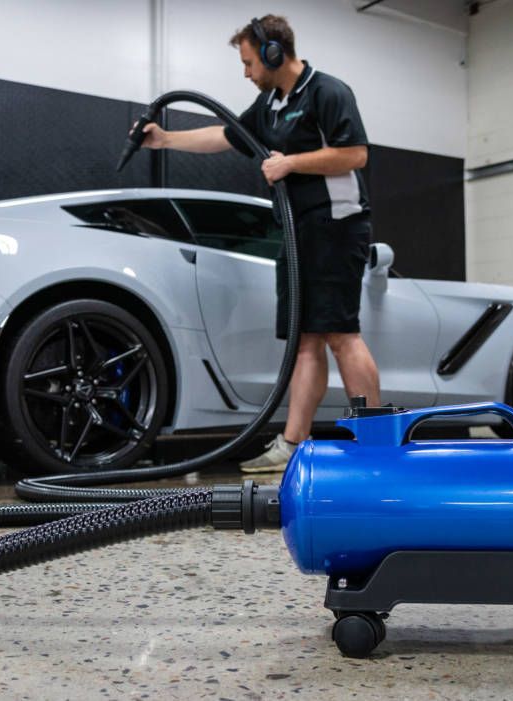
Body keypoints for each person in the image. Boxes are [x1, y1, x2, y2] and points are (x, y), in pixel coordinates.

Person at [137, 14, 380, 472]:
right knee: (304, 340)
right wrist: (165, 139)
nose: (246, 72)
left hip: (336, 226)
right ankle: (292, 443)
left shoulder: (328, 91)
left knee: (341, 335)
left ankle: (377, 442)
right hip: (296, 230)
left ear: (273, 53)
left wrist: (290, 165)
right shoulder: (270, 105)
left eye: (249, 62)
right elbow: (226, 136)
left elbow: (355, 154)